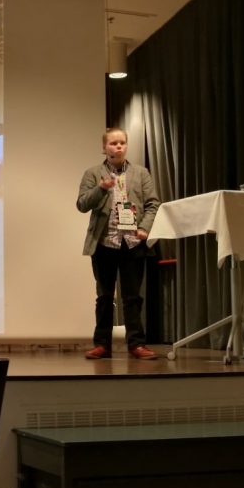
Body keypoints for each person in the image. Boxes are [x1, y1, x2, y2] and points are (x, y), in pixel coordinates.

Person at [76, 127, 160, 360]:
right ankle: (102, 344)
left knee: (133, 297)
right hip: (105, 242)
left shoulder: (141, 173)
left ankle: (137, 345)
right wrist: (101, 188)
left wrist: (145, 228)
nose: (119, 146)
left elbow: (153, 204)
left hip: (133, 242)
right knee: (104, 297)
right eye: (113, 143)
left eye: (122, 142)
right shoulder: (93, 173)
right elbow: (82, 204)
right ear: (104, 147)